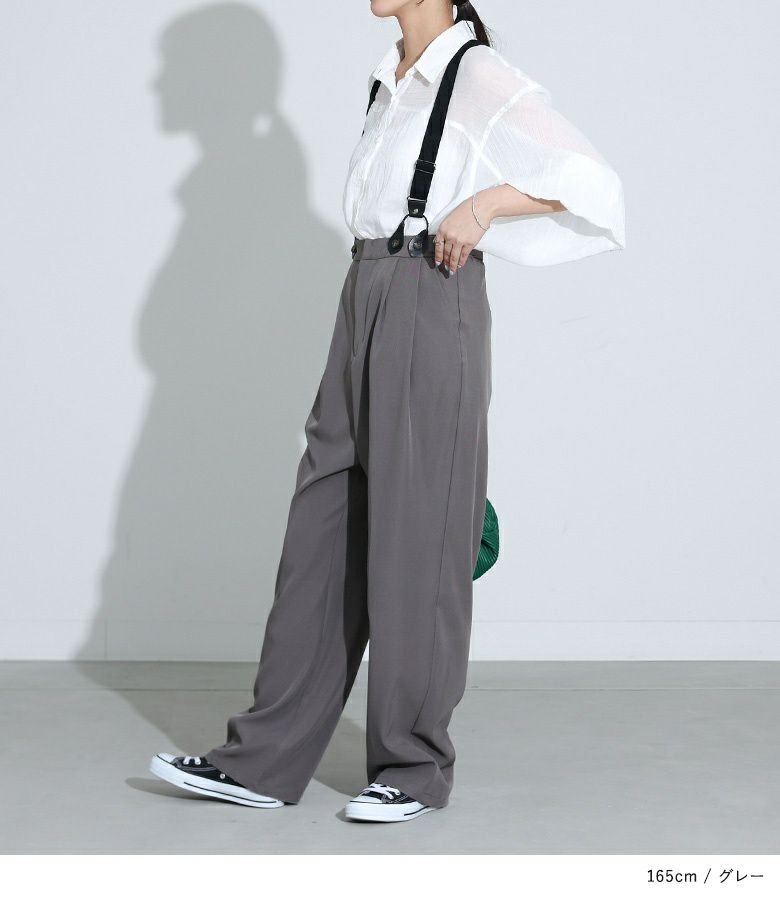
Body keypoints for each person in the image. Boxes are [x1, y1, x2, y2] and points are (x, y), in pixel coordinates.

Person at [149, 0, 625, 823]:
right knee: (323, 528)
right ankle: (264, 760)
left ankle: (412, 765)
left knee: (419, 535)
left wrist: (484, 206)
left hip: (428, 296)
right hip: (363, 291)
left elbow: (594, 185)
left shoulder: (476, 75)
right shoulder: (390, 81)